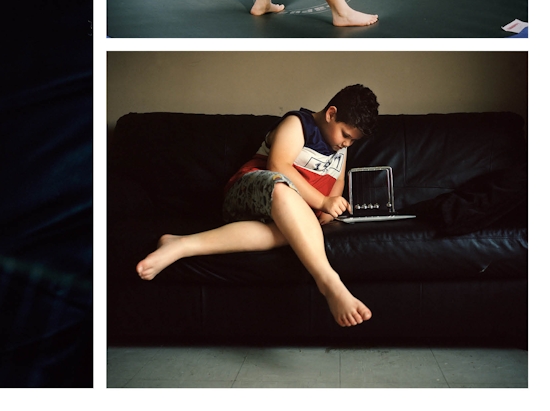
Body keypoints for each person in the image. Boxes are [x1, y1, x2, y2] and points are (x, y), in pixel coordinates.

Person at [135, 84, 379, 328]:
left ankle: (180, 244)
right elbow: (278, 166)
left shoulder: (341, 149)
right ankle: (329, 282)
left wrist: (328, 208)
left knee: (296, 231)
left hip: (289, 212)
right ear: (331, 114)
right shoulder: (298, 124)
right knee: (282, 187)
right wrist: (323, 201)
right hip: (252, 191)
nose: (346, 143)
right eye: (345, 134)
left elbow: (337, 179)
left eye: (353, 141)